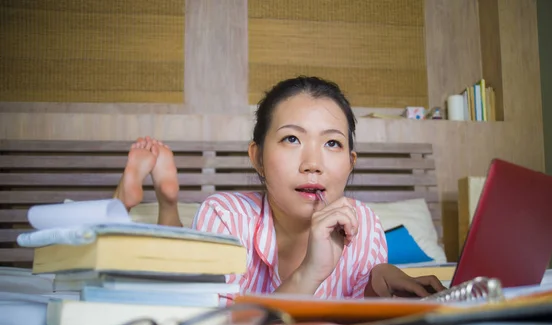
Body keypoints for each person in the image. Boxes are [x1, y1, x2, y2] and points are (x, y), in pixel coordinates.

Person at [114, 76, 445, 299]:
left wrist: (378, 281)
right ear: (257, 157)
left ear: (350, 162)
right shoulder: (226, 217)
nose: (312, 163)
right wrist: (308, 273)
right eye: (291, 138)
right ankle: (165, 203)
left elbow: (360, 305)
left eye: (332, 143)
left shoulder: (366, 226)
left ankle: (167, 203)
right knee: (172, 276)